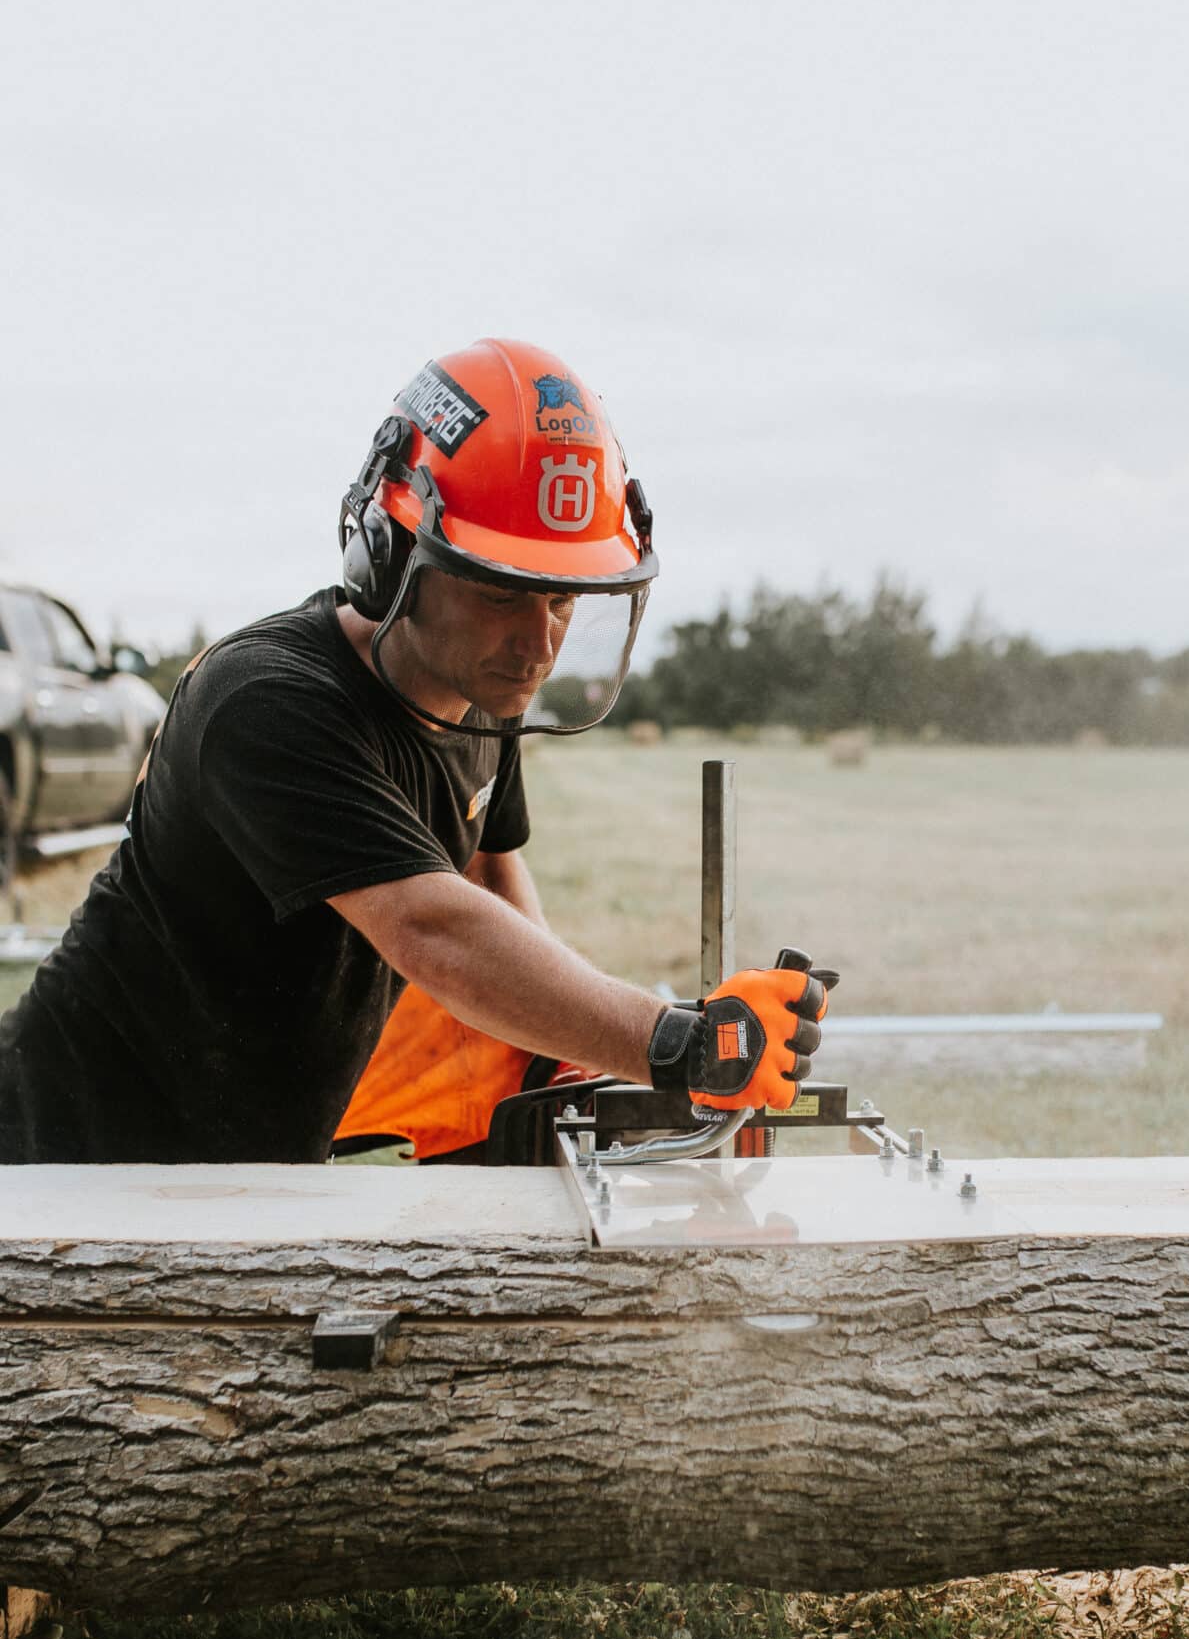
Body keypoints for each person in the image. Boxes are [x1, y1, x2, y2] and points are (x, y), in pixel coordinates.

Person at [0, 338, 830, 1165]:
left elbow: (490, 879)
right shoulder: (265, 702)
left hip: (247, 1159)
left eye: (561, 599)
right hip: (71, 1147)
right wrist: (679, 1044)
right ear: (390, 553)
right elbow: (434, 928)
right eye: (502, 593)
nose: (536, 643)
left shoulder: (481, 695)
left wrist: (560, 1052)